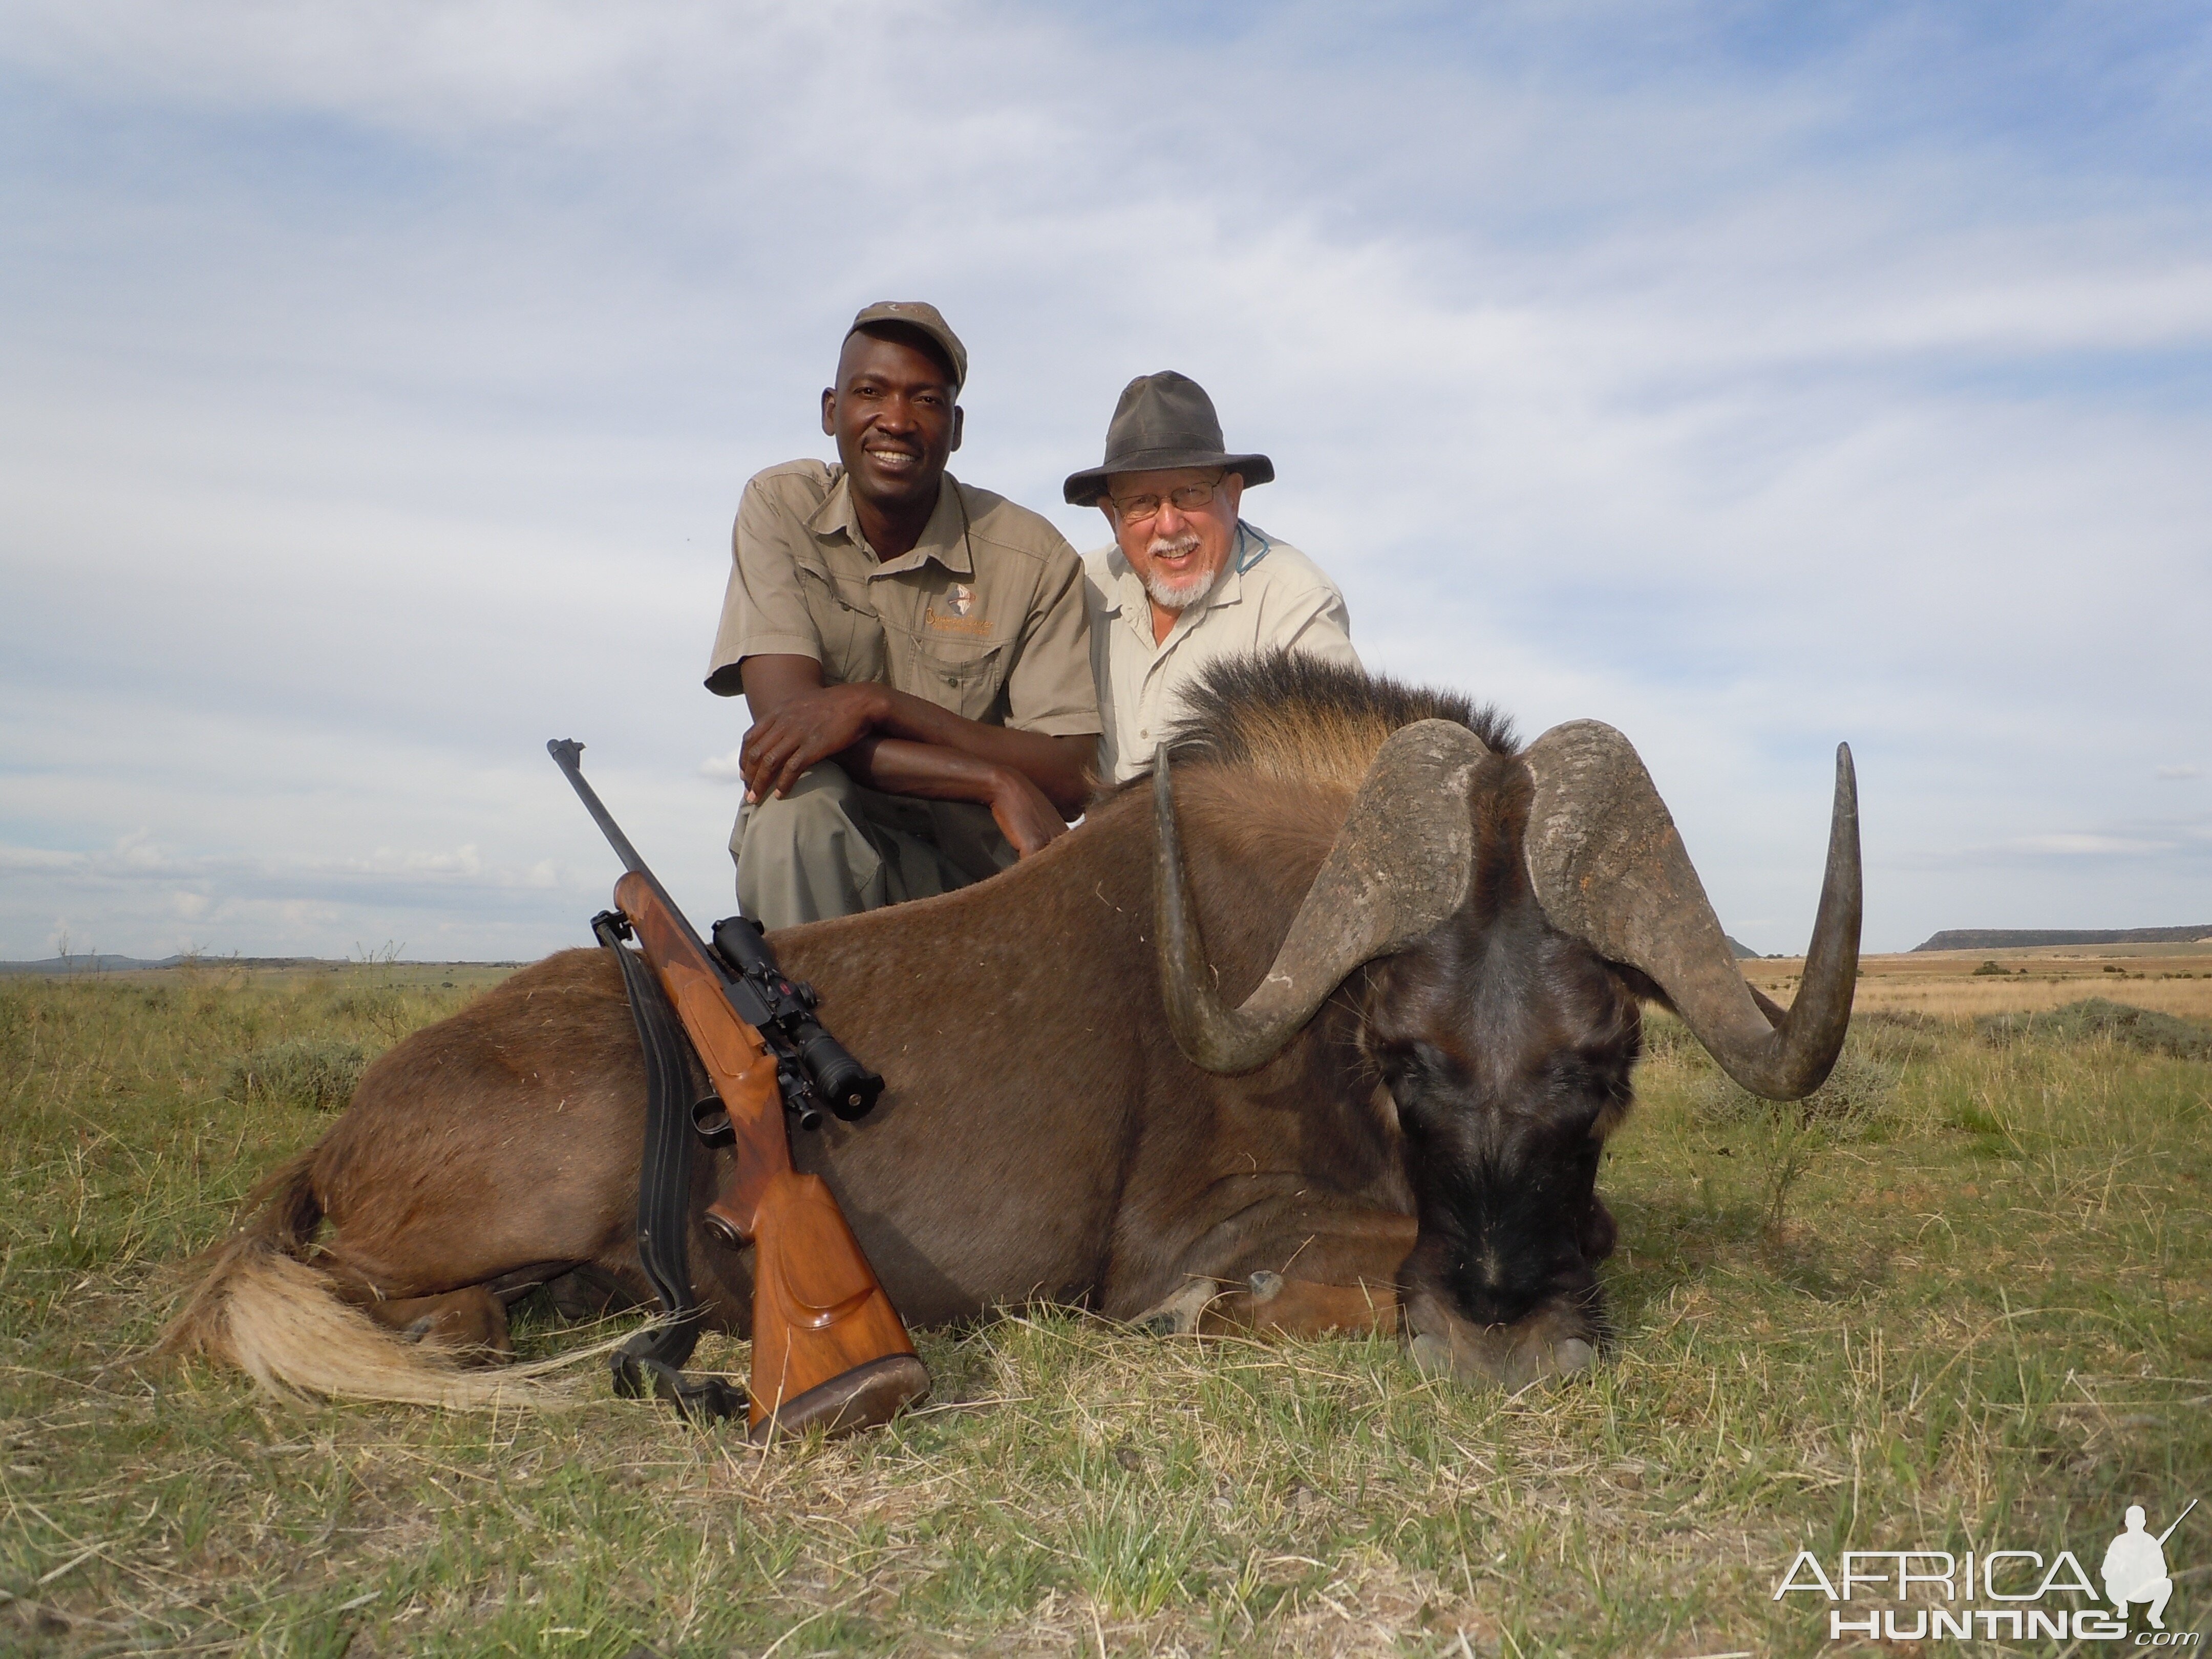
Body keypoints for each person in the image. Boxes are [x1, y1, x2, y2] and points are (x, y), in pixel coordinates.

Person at [706, 303, 1100, 929]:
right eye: (871, 392)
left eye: (926, 400)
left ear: (957, 426)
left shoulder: (1034, 556)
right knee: (792, 809)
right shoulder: (778, 506)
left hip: (975, 884)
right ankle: (800, 1025)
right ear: (832, 410)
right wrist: (995, 781)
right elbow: (788, 734)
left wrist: (878, 705)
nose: (896, 421)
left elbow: (1070, 773)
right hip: (825, 860)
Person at [1065, 371, 1360, 787]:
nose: (1168, 525)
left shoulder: (1296, 601)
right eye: (1141, 503)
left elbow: (1338, 784)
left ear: (1234, 495)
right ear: (1111, 516)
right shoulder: (1075, 591)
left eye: (1190, 493)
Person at [2102, 1505, 2175, 1629]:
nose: (2135, 1523)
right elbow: (2106, 1572)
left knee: (2167, 1584)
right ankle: (2122, 1608)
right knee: (2114, 1584)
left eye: (2138, 1520)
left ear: (2144, 1522)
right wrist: (2121, 1566)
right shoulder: (2119, 1543)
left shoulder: (2151, 1543)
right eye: (2131, 1520)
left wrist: (2149, 1566)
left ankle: (2154, 1615)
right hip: (2123, 1588)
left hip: (2144, 1587)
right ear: (2126, 1522)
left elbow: (2163, 1571)